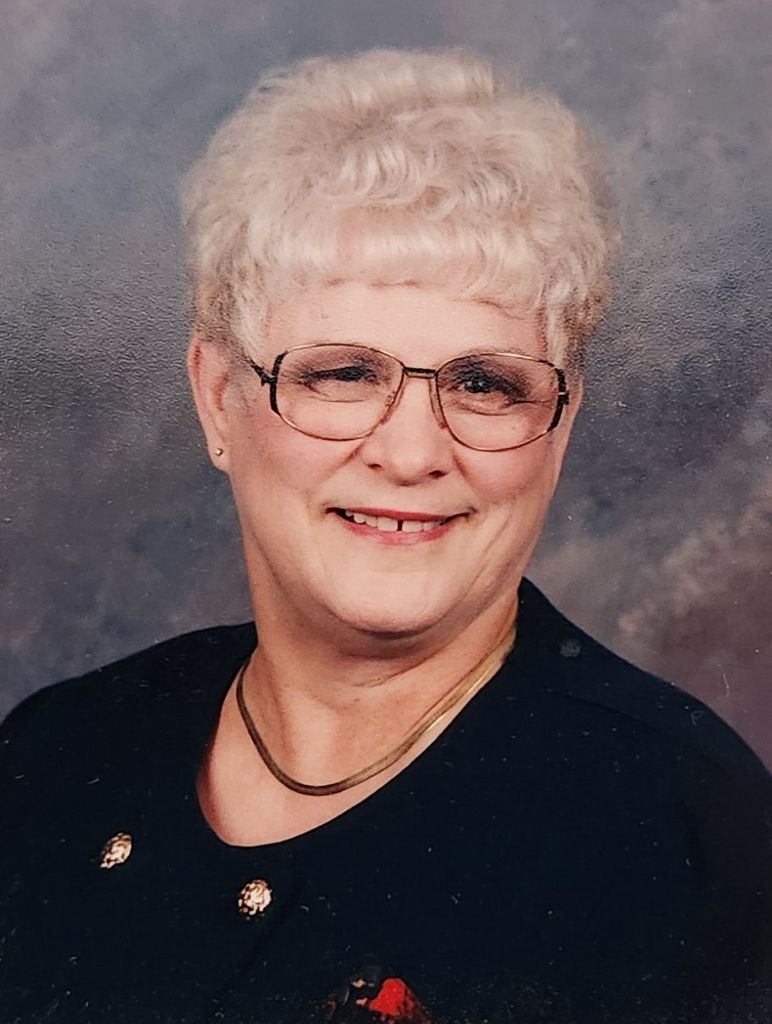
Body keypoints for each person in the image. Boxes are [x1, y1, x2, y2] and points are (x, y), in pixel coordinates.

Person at [1, 47, 770, 1024]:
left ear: (560, 424)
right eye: (342, 373)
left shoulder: (683, 830)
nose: (411, 454)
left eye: (483, 384)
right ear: (217, 398)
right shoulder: (53, 753)